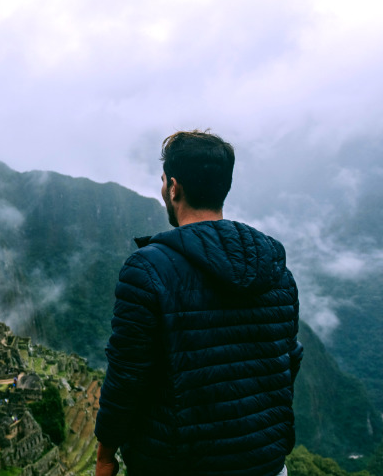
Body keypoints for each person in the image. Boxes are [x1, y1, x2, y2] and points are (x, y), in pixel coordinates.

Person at [94, 130, 302, 476]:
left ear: (173, 187)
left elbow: (127, 375)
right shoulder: (276, 269)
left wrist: (105, 455)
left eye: (163, 181)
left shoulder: (147, 269)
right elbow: (289, 361)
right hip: (266, 463)